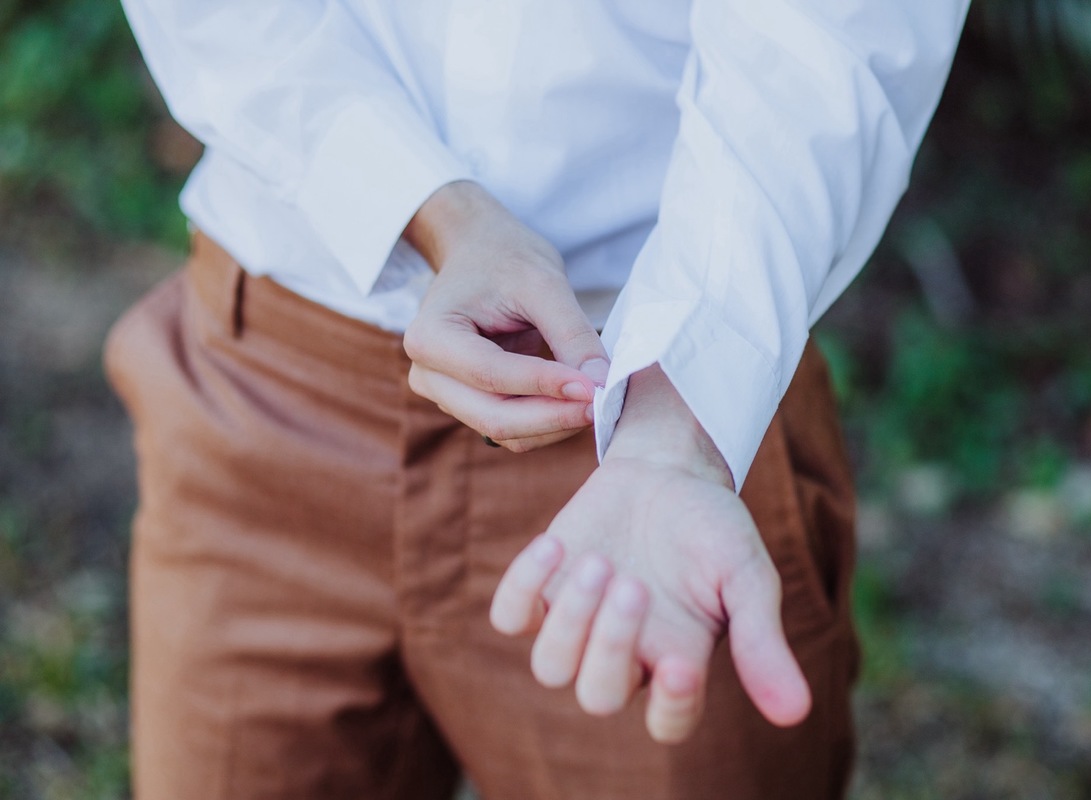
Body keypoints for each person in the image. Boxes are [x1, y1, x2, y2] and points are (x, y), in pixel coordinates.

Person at [104, 1, 969, 797]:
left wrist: (670, 440)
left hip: (649, 419)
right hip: (272, 388)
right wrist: (437, 213)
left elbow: (829, 42)